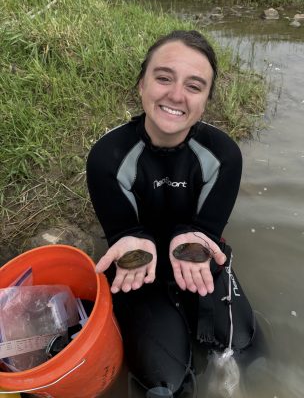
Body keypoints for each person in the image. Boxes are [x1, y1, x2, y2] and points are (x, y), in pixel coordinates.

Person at [87, 30, 255, 397]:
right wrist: (134, 240)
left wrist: (194, 237)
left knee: (242, 347)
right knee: (167, 383)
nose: (176, 95)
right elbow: (124, 232)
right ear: (141, 85)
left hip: (197, 259)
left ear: (206, 100)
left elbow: (206, 231)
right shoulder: (107, 157)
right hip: (139, 269)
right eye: (163, 78)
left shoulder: (223, 155)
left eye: (194, 86)